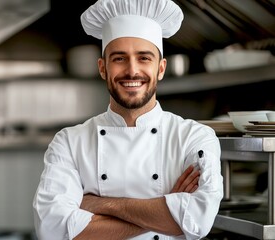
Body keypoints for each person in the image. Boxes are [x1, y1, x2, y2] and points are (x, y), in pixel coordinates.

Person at [32, 0, 224, 239]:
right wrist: (166, 211)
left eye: (144, 58)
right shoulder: (69, 142)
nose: (132, 70)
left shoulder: (194, 137)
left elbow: (197, 220)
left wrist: (102, 205)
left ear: (161, 68)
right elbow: (52, 229)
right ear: (103, 68)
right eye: (119, 58)